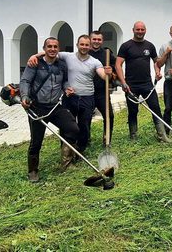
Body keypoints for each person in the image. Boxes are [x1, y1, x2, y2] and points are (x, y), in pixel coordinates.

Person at [27, 35, 111, 154]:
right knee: (67, 127)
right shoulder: (67, 56)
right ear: (77, 45)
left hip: (87, 98)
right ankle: (66, 153)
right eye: (82, 44)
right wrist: (34, 56)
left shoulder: (95, 62)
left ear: (90, 47)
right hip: (69, 98)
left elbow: (103, 75)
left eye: (87, 45)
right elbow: (50, 52)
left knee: (84, 127)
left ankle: (80, 151)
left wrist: (108, 73)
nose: (84, 47)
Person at [19, 37, 82, 183]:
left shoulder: (62, 65)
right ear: (44, 48)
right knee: (36, 141)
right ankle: (33, 171)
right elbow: (25, 81)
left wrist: (67, 88)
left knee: (72, 128)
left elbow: (64, 81)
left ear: (58, 49)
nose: (52, 49)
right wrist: (24, 96)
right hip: (37, 107)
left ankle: (67, 163)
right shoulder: (35, 63)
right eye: (49, 47)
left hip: (55, 107)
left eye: (55, 47)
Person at [115, 21, 171, 142]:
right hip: (131, 85)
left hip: (147, 84)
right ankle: (133, 135)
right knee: (133, 110)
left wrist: (157, 71)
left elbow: (157, 62)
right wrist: (123, 82)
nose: (140, 32)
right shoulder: (126, 46)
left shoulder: (150, 46)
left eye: (142, 30)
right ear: (133, 30)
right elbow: (118, 64)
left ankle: (162, 135)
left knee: (155, 108)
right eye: (138, 30)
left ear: (145, 30)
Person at [88, 30, 117, 145]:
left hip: (102, 92)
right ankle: (86, 138)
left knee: (109, 115)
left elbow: (115, 66)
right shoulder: (85, 52)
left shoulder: (107, 54)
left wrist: (112, 72)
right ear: (90, 40)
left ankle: (107, 138)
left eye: (99, 39)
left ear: (102, 41)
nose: (96, 41)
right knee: (86, 118)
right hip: (88, 92)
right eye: (94, 39)